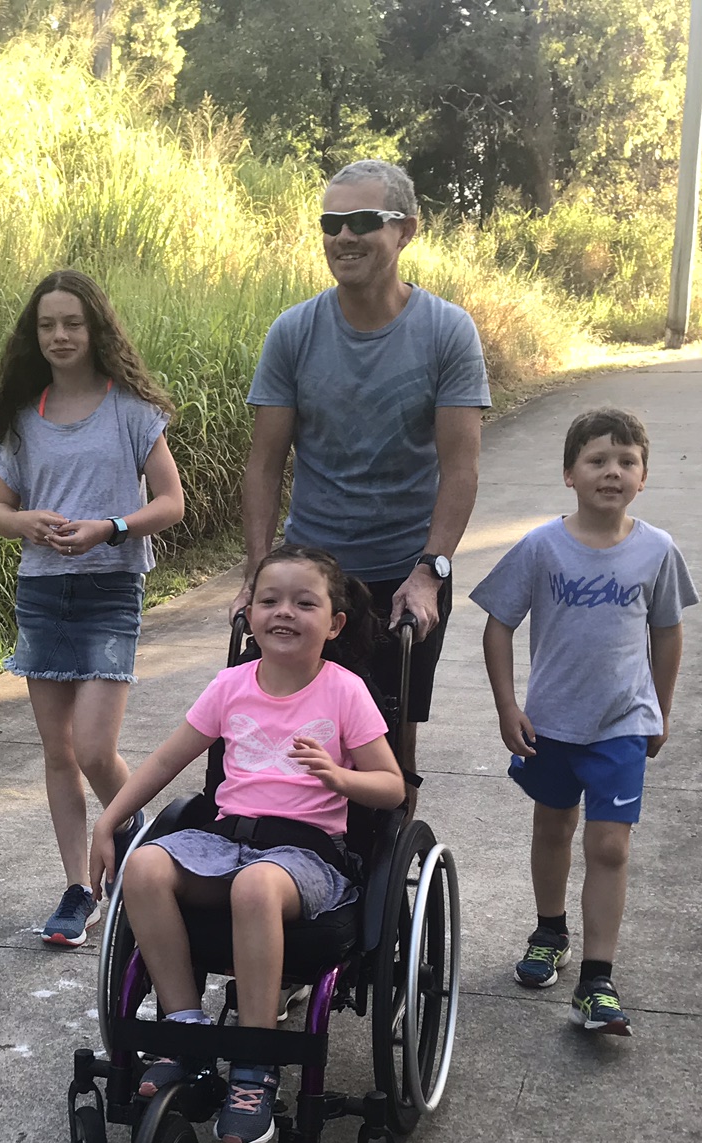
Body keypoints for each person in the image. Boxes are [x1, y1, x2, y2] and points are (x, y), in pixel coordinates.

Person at [87, 545, 405, 1143]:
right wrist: (111, 820)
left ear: (334, 624)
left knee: (255, 887)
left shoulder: (345, 692)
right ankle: (183, 1029)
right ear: (250, 614)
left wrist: (341, 779)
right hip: (225, 842)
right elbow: (164, 761)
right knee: (147, 866)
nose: (284, 612)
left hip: (307, 859)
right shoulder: (231, 686)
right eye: (270, 599)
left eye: (304, 603)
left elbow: (391, 787)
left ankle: (254, 1066)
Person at [237, 158, 490, 766]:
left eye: (362, 221)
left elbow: (461, 469)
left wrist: (431, 571)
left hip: (404, 574)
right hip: (312, 575)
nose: (344, 236)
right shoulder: (293, 333)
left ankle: (384, 849)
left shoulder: (447, 333)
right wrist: (256, 574)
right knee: (280, 736)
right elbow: (264, 464)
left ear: (405, 230)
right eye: (331, 222)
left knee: (388, 750)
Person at [469, 407, 697, 1035]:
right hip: (551, 724)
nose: (612, 472)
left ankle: (597, 979)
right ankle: (549, 931)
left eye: (627, 462)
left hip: (622, 722)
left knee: (610, 845)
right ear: (569, 473)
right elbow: (498, 623)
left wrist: (661, 708)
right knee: (553, 828)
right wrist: (507, 705)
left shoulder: (657, 550)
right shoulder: (543, 546)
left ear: (644, 476)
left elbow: (668, 632)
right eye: (597, 460)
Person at [0, 269, 187, 947]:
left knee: (96, 747)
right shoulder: (23, 416)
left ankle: (145, 852)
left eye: (73, 323)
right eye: (48, 325)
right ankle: (81, 888)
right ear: (33, 334)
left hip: (109, 589)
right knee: (58, 751)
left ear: (95, 328)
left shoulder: (130, 408)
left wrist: (111, 526)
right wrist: (27, 524)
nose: (61, 335)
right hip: (42, 592)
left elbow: (170, 502)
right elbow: (0, 511)